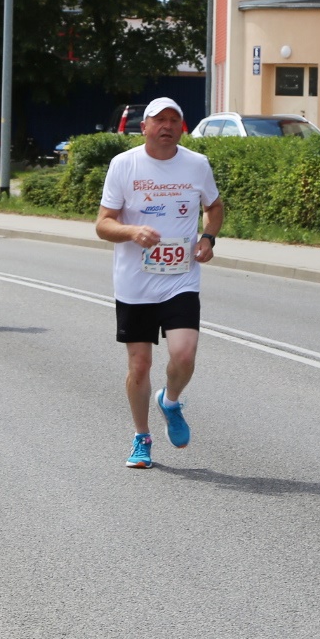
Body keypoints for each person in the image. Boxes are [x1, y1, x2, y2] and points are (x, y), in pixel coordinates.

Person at [93, 98, 224, 469]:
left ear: (182, 127)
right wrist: (132, 231)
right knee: (140, 366)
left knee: (184, 355)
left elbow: (214, 207)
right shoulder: (124, 164)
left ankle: (170, 400)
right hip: (135, 283)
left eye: (174, 120)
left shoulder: (197, 164)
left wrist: (208, 238)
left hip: (180, 278)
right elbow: (103, 223)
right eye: (159, 120)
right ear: (144, 127)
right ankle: (142, 437)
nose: (167, 126)